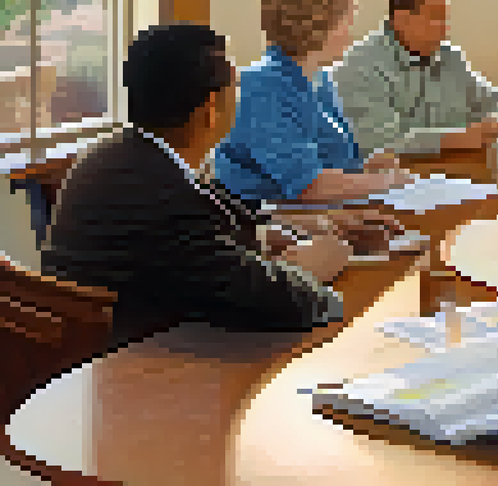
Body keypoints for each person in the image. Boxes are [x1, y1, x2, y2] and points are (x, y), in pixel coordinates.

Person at [43, 23, 350, 347]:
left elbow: (219, 219)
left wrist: (274, 233)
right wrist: (309, 266)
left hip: (125, 347)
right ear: (210, 111)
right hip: (139, 366)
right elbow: (291, 305)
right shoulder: (162, 195)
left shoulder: (126, 153)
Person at [215, 0, 413, 204]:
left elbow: (325, 163)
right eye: (346, 20)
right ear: (316, 25)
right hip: (269, 228)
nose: (351, 33)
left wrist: (363, 170)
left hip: (321, 216)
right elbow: (309, 187)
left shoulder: (319, 78)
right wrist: (389, 182)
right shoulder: (262, 88)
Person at [331, 0, 498, 159]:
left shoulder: (450, 57)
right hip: (388, 179)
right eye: (436, 18)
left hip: (452, 173)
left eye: (446, 20)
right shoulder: (360, 65)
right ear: (402, 19)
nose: (445, 29)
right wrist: (454, 140)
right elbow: (376, 142)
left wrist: (497, 122)